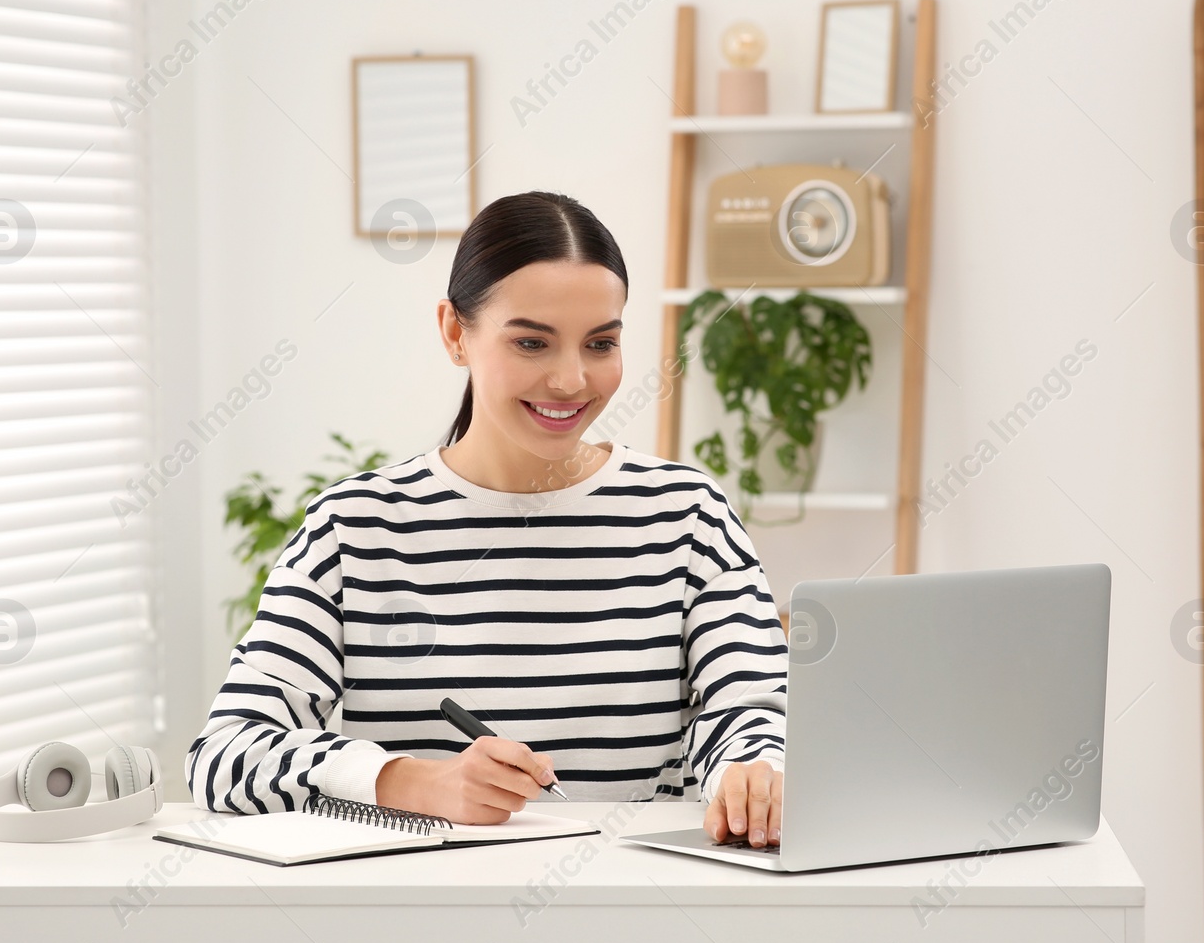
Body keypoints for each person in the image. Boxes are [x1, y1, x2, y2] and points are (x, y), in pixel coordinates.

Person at [186, 190, 786, 848]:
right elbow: (225, 754)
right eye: (531, 341)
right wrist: (411, 781)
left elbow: (751, 710)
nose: (570, 379)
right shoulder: (352, 530)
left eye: (600, 342)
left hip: (635, 907)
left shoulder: (687, 514)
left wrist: (750, 770)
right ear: (454, 332)